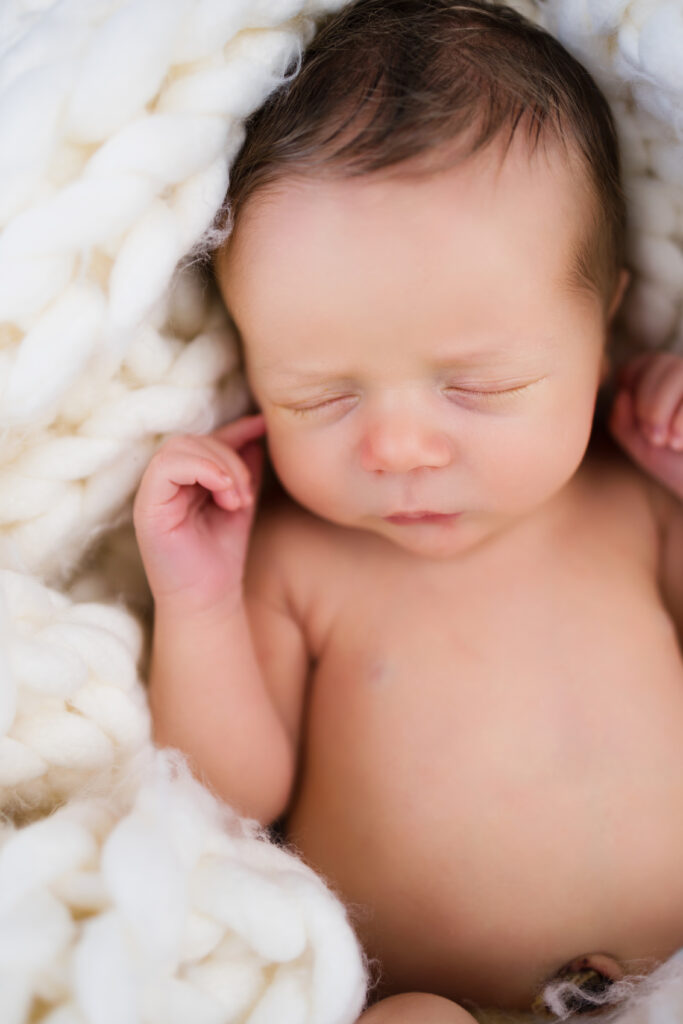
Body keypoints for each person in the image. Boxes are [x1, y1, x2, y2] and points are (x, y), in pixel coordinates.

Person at [132, 1, 683, 1019]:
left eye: (473, 388)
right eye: (320, 398)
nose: (396, 450)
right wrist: (198, 604)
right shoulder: (298, 559)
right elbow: (224, 799)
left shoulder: (628, 505)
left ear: (600, 323)